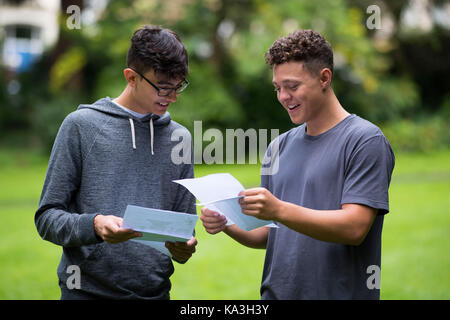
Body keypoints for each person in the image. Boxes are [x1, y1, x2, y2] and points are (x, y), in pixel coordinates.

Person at [200, 29, 395, 300]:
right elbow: (270, 235)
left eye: (292, 86)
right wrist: (227, 223)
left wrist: (278, 209)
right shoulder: (277, 147)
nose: (283, 97)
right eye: (278, 88)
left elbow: (354, 227)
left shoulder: (364, 140)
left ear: (324, 78)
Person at [35, 25, 197, 300]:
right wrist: (94, 225)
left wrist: (185, 246)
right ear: (131, 77)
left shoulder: (179, 138)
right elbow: (47, 218)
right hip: (86, 293)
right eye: (163, 88)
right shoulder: (81, 127)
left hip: (156, 295)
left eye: (178, 86)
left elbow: (183, 229)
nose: (172, 97)